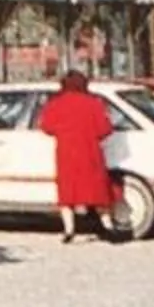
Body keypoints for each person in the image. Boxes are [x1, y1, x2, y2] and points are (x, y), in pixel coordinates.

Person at [33, 69, 119, 241]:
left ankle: (69, 228)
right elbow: (105, 129)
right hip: (90, 151)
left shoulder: (56, 104)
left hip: (66, 152)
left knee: (67, 191)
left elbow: (46, 127)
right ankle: (107, 225)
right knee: (97, 189)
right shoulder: (94, 103)